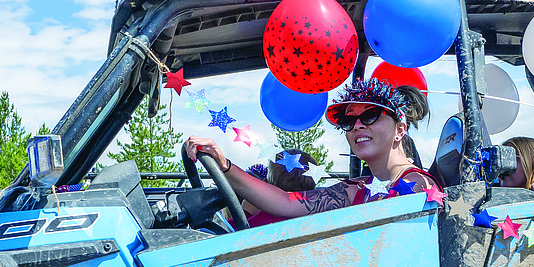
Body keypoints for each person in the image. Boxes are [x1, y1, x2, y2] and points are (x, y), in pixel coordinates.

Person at [184, 79, 439, 223]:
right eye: (349, 121)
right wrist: (225, 165)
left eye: (371, 115)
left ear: (400, 129)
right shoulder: (357, 188)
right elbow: (286, 202)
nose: (358, 125)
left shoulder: (418, 185)